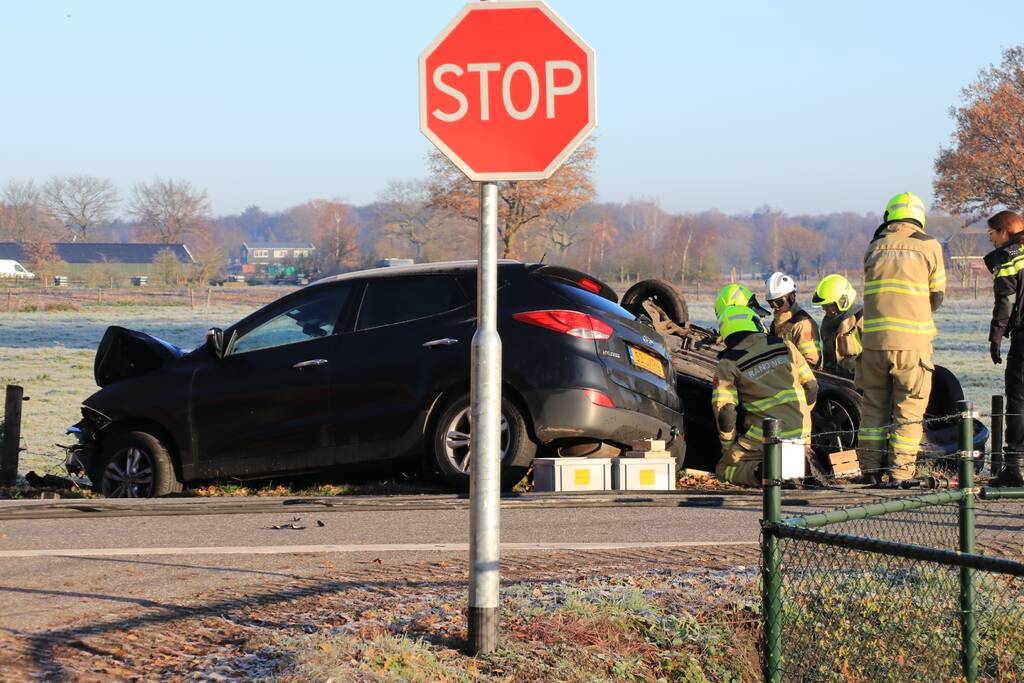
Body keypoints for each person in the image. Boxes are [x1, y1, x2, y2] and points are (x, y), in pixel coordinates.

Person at [856, 192, 945, 484]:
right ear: (919, 217)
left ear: (889, 217)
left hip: (873, 345)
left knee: (873, 409)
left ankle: (869, 470)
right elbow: (938, 295)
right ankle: (900, 473)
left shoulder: (874, 246)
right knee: (908, 409)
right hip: (912, 346)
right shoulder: (929, 245)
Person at [712, 305, 817, 487]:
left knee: (723, 468)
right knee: (794, 459)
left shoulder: (728, 363)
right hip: (801, 431)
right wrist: (797, 414)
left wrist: (727, 448)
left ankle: (764, 473)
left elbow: (726, 412)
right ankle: (799, 467)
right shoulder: (786, 345)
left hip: (765, 436)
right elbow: (812, 387)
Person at [985, 209, 1024, 487]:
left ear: (1004, 231)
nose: (991, 242)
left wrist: (996, 337)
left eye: (992, 234)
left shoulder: (1009, 258)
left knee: (1019, 399)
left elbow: (1006, 302)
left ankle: (1014, 468)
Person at [765, 271, 822, 368]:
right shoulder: (777, 323)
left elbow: (812, 363)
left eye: (778, 302)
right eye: (771, 303)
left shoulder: (803, 324)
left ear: (791, 297)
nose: (775, 307)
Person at [813, 274, 863, 379]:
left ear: (842, 301)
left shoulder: (861, 319)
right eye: (823, 305)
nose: (824, 309)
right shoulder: (826, 324)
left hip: (859, 383)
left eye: (827, 305)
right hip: (836, 383)